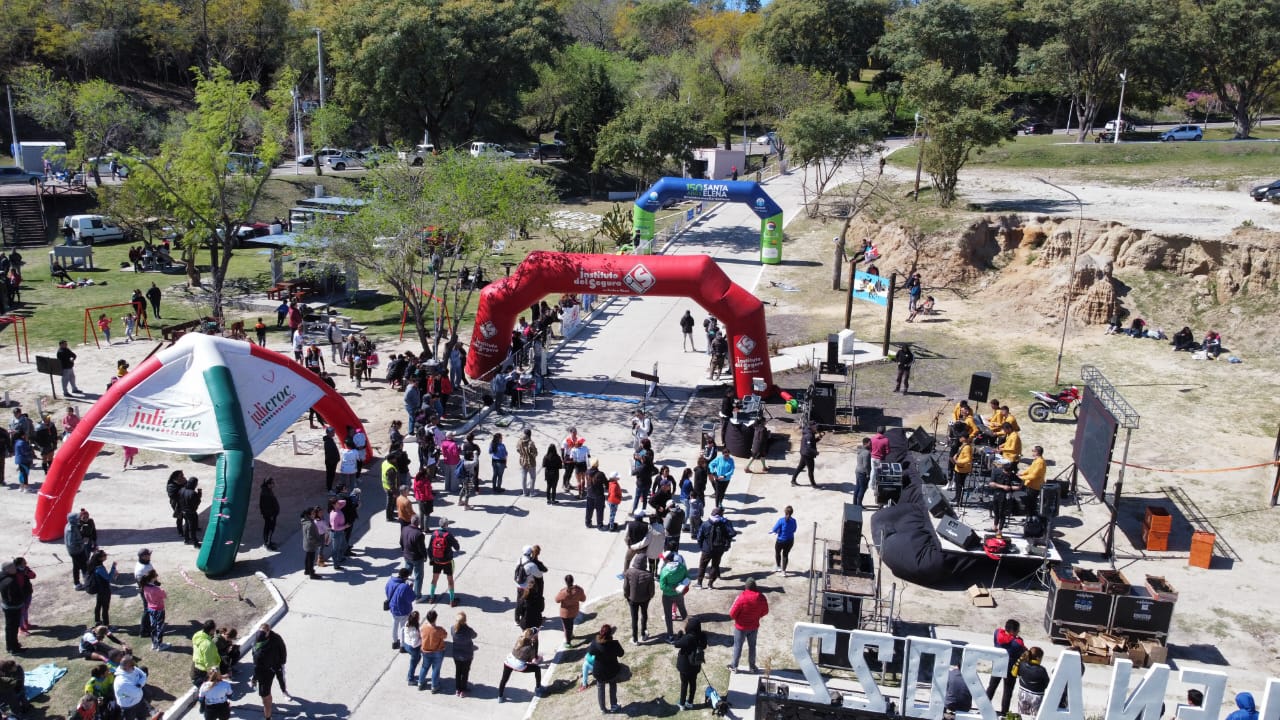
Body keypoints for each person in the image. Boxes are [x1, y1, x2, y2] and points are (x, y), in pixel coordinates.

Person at [728, 577, 769, 673]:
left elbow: (732, 614)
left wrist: (738, 619)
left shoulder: (741, 597)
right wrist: (757, 616)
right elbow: (765, 611)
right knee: (752, 646)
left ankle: (734, 666)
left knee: (738, 646)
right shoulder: (761, 597)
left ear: (746, 586)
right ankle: (752, 667)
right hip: (754, 626)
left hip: (740, 627)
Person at [986, 619, 1026, 716]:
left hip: (998, 664)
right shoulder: (1017, 643)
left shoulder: (997, 634)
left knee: (991, 687)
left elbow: (999, 630)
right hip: (1010, 669)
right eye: (1017, 630)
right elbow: (1022, 649)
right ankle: (1004, 712)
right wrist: (1017, 638)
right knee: (1007, 691)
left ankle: (984, 707)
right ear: (1013, 631)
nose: (1018, 632)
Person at [252, 623, 289, 719]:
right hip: (265, 672)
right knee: (266, 697)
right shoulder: (259, 640)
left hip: (274, 667)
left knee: (281, 679)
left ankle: (284, 691)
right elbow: (257, 666)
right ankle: (268, 710)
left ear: (268, 632)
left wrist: (282, 662)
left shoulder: (275, 638)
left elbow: (282, 649)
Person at [497, 627, 543, 703]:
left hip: (508, 661)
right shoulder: (531, 647)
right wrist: (539, 658)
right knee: (537, 669)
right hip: (519, 665)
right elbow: (531, 660)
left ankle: (500, 697)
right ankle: (538, 688)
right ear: (533, 636)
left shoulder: (519, 640)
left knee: (504, 679)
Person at [694, 507, 735, 588]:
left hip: (707, 549)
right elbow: (731, 534)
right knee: (715, 565)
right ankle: (710, 584)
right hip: (719, 549)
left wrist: (702, 547)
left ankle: (699, 583)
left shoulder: (705, 524)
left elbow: (699, 537)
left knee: (702, 566)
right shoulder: (724, 524)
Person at [588, 624, 625, 714]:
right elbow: (621, 654)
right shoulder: (614, 644)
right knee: (612, 686)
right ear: (610, 634)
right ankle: (614, 705)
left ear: (601, 632)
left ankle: (603, 709)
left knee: (600, 689)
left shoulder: (595, 643)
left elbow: (590, 652)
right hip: (612, 671)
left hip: (599, 672)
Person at [674, 616, 707, 709]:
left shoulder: (687, 638)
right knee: (693, 683)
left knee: (684, 684)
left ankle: (682, 704)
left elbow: (676, 644)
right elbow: (704, 646)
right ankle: (690, 702)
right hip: (696, 665)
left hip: (685, 667)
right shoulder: (702, 636)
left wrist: (679, 635)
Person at [656, 551, 690, 641]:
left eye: (664, 559)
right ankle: (689, 631)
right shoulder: (682, 567)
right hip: (679, 594)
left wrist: (672, 588)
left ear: (667, 560)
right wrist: (680, 586)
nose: (663, 560)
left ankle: (670, 636)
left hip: (667, 596)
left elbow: (662, 586)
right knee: (683, 612)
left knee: (668, 616)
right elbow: (687, 578)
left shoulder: (665, 570)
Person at [427, 518, 461, 606]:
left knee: (434, 579)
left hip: (436, 561)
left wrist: (431, 559)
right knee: (450, 580)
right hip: (447, 562)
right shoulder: (448, 535)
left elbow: (429, 549)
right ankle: (452, 600)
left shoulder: (434, 534)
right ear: (446, 525)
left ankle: (431, 597)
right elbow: (457, 547)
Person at [623, 553, 654, 644]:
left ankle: (635, 639)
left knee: (634, 618)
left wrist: (627, 596)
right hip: (645, 599)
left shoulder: (629, 572)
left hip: (632, 599)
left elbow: (625, 587)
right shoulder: (649, 575)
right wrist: (649, 597)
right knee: (644, 615)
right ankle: (644, 634)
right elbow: (651, 591)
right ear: (645, 562)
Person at [417, 609, 448, 692]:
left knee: (424, 667)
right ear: (435, 619)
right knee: (436, 669)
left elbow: (420, 636)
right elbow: (445, 636)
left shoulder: (422, 628)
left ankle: (420, 682)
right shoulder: (439, 630)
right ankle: (434, 686)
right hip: (438, 652)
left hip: (426, 651)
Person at [1015, 646, 1051, 719]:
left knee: (1022, 716)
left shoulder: (1022, 664)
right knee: (1035, 717)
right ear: (1038, 658)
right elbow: (1047, 683)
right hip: (1036, 696)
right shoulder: (1041, 670)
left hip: (1023, 693)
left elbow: (1017, 673)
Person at [86, 549, 116, 627]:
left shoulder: (94, 566)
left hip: (99, 590)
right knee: (105, 607)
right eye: (104, 555)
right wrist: (113, 568)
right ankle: (106, 624)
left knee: (99, 605)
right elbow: (108, 578)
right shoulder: (100, 569)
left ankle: (97, 621)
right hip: (104, 590)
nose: (106, 555)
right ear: (100, 558)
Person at [554, 575, 587, 649]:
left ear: (566, 582)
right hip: (574, 611)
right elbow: (583, 599)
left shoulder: (563, 592)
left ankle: (568, 643)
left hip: (565, 614)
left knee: (567, 628)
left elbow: (556, 600)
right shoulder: (579, 590)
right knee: (570, 623)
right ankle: (571, 634)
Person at [386, 567, 415, 650]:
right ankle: (402, 646)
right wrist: (410, 587)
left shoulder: (391, 581)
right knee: (403, 628)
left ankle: (395, 642)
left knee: (395, 625)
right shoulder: (405, 587)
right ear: (406, 577)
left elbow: (387, 591)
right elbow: (412, 598)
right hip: (403, 610)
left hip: (393, 608)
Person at [113, 655, 149, 720]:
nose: (134, 667)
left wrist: (140, 684)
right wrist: (139, 687)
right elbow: (136, 693)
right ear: (125, 667)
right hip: (129, 707)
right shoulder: (121, 682)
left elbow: (143, 675)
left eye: (134, 664)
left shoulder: (133, 669)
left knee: (142, 717)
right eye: (132, 665)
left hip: (139, 702)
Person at [139, 569, 167, 650]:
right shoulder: (156, 589)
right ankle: (160, 645)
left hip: (150, 609)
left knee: (153, 626)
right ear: (153, 578)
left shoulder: (144, 586)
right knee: (160, 627)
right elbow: (164, 596)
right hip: (159, 609)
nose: (157, 577)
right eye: (156, 575)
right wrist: (162, 590)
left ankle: (154, 644)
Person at [451, 612, 478, 697]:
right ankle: (463, 690)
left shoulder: (452, 629)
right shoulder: (468, 630)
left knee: (458, 672)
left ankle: (457, 689)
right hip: (467, 655)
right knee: (465, 673)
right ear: (465, 621)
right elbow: (475, 635)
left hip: (456, 654)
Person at [790, 421, 821, 487]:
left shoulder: (808, 432)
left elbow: (812, 441)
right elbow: (809, 447)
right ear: (811, 427)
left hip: (804, 453)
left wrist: (819, 438)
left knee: (800, 467)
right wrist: (815, 452)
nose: (816, 428)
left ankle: (793, 481)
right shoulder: (809, 435)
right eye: (815, 426)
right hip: (807, 455)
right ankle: (813, 484)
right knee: (811, 470)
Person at [770, 506, 798, 574]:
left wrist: (777, 531)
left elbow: (774, 529)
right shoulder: (794, 521)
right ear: (792, 513)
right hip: (790, 541)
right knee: (785, 555)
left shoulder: (781, 520)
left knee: (777, 553)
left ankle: (778, 567)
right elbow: (794, 530)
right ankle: (783, 571)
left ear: (785, 512)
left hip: (780, 541)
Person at [0, 562, 21, 655]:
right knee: (12, 628)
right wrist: (20, 601)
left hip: (8, 606)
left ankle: (13, 645)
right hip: (12, 608)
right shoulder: (9, 581)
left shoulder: (3, 576)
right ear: (7, 569)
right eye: (13, 567)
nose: (15, 568)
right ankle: (13, 649)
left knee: (10, 628)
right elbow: (11, 597)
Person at [179, 476, 203, 546]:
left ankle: (186, 540)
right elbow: (197, 502)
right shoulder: (193, 493)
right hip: (191, 513)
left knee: (187, 525)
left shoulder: (182, 490)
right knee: (193, 528)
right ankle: (195, 543)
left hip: (183, 511)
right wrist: (199, 494)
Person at [951, 434, 974, 506]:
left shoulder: (967, 447)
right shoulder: (963, 445)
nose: (959, 439)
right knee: (958, 484)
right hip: (959, 468)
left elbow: (968, 458)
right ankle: (956, 497)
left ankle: (959, 501)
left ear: (964, 438)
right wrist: (955, 456)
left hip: (962, 469)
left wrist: (958, 462)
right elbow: (960, 453)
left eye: (960, 437)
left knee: (959, 485)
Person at [259, 477, 280, 550]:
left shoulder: (267, 491)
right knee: (269, 529)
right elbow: (266, 506)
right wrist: (271, 515)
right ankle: (267, 544)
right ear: (268, 484)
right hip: (270, 515)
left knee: (269, 528)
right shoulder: (265, 493)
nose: (273, 484)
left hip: (271, 515)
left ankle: (268, 542)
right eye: (272, 483)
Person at [517, 428, 539, 497]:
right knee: (532, 477)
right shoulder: (531, 443)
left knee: (524, 477)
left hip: (522, 461)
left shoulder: (520, 441)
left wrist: (522, 454)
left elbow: (517, 449)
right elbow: (535, 454)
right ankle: (532, 492)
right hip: (531, 462)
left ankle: (524, 492)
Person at [301, 508, 321, 578]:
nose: (314, 514)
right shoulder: (310, 524)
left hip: (306, 544)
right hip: (311, 545)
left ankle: (307, 570)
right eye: (313, 513)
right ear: (309, 515)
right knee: (311, 560)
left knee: (307, 558)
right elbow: (311, 537)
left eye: (314, 513)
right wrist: (318, 543)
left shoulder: (305, 522)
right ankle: (311, 573)